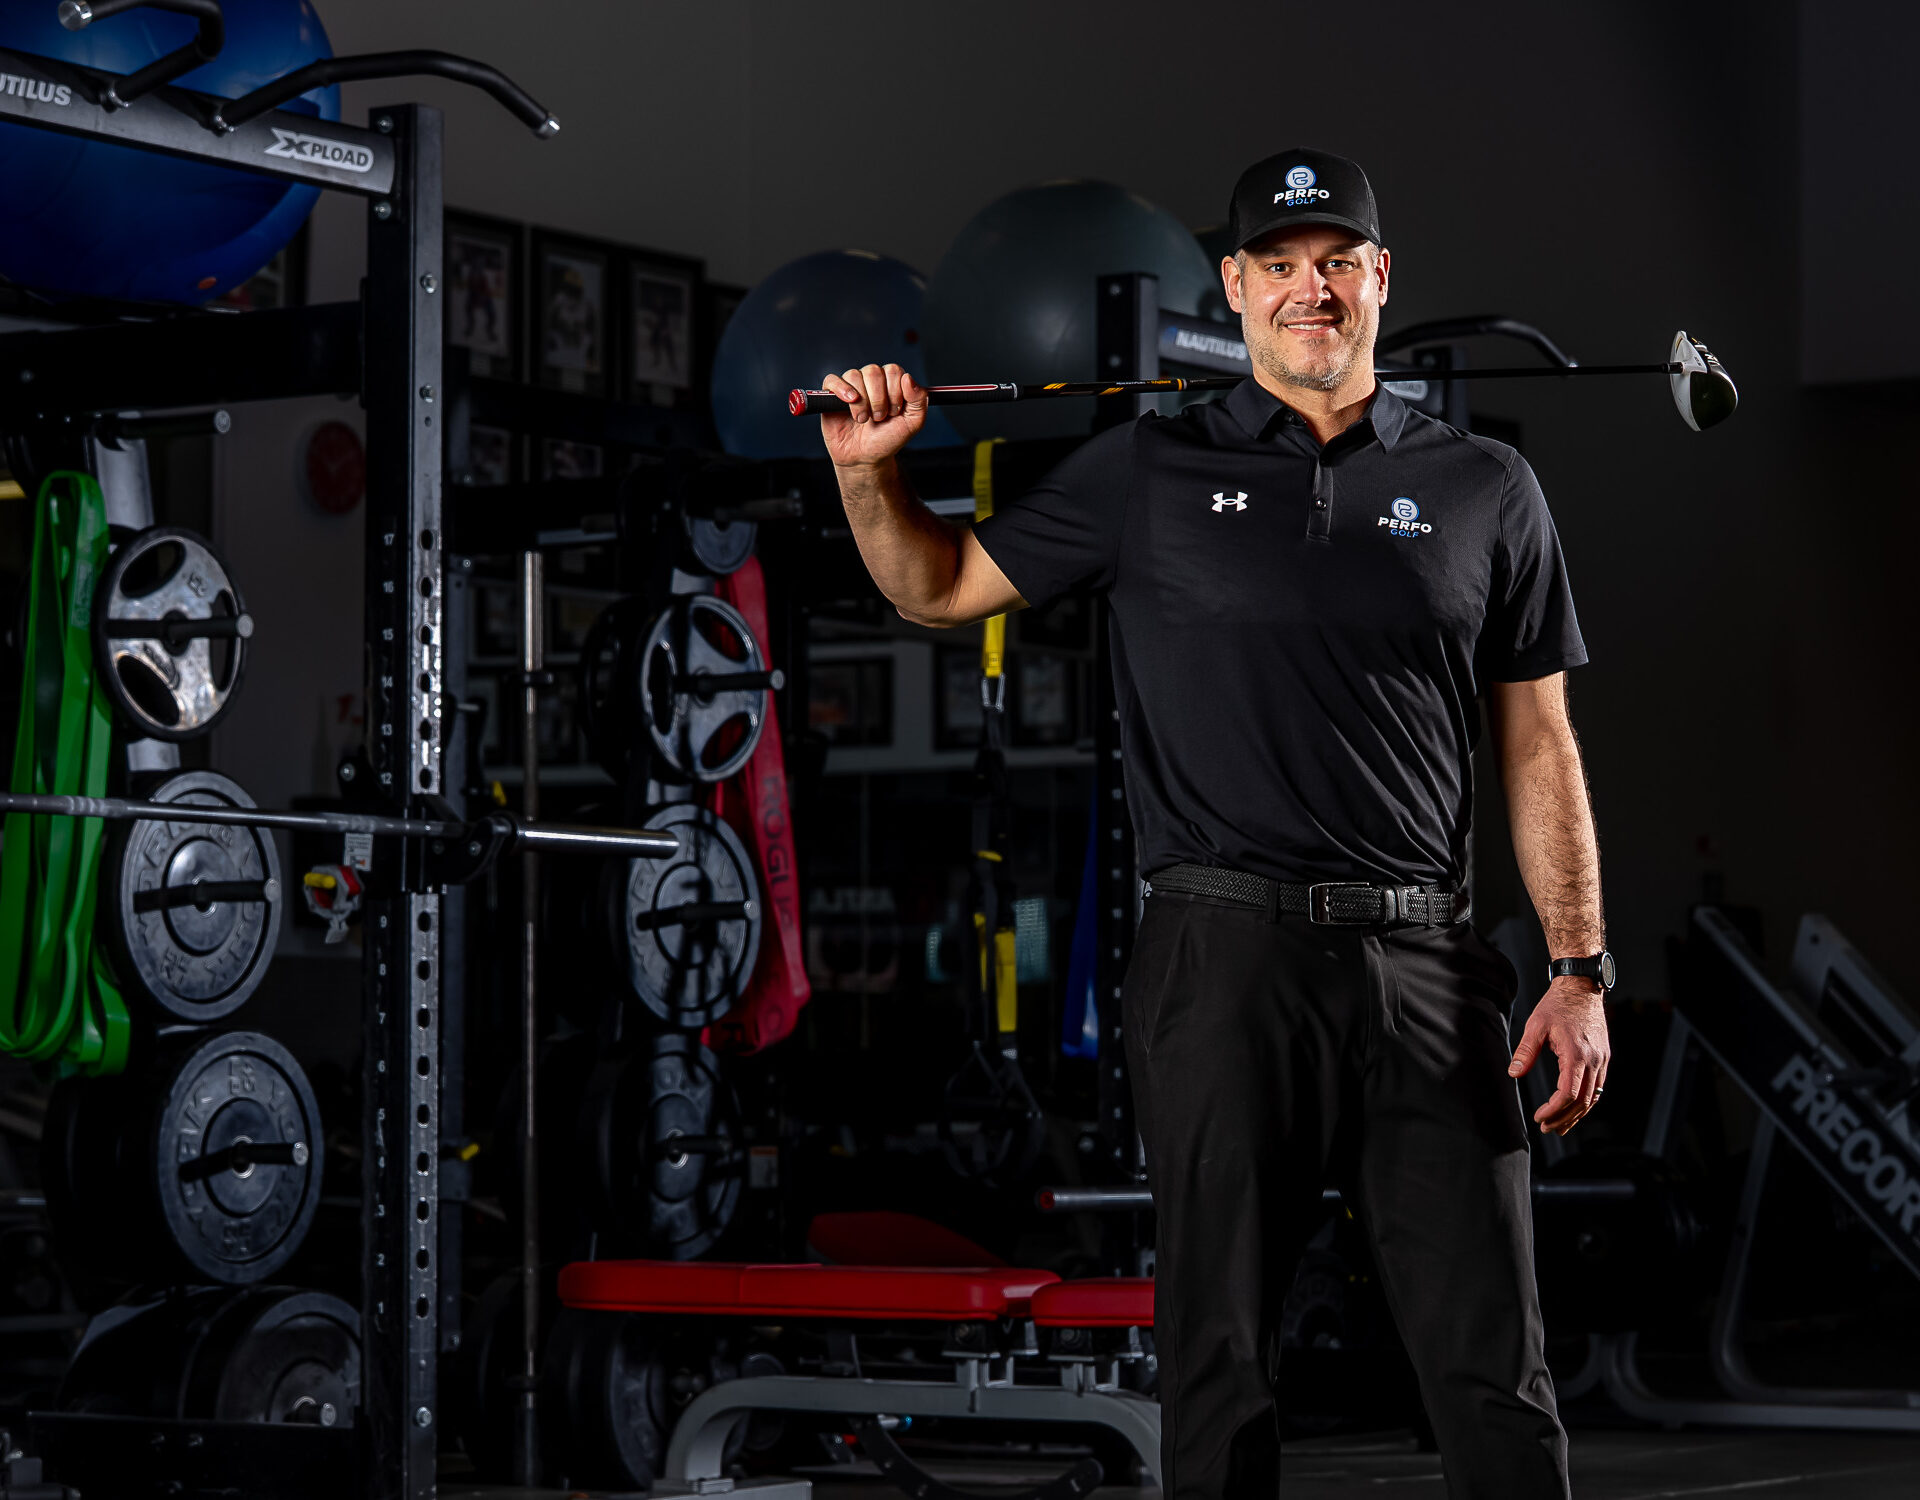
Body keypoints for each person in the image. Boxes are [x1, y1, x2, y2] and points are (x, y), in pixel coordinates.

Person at [817, 148, 1606, 1499]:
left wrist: (1580, 968)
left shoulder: (1487, 487)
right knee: (1221, 1362)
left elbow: (1540, 739)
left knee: (1494, 1370)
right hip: (1220, 957)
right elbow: (939, 589)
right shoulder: (1148, 468)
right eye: (1283, 264)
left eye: (1337, 261)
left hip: (1428, 965)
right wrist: (866, 478)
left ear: (1380, 278)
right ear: (1234, 285)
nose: (1313, 288)